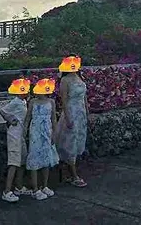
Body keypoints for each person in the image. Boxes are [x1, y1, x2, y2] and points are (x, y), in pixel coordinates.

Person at [56, 55, 88, 187]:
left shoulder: (79, 77)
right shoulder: (65, 80)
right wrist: (68, 118)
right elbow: (63, 100)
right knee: (71, 142)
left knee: (78, 140)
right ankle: (74, 175)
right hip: (71, 112)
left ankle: (70, 173)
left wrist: (87, 112)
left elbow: (84, 97)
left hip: (81, 113)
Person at [24, 78, 59, 200]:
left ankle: (44, 185)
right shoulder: (32, 102)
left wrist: (54, 133)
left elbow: (54, 118)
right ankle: (35, 189)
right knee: (34, 157)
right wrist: (25, 131)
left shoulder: (51, 102)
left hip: (47, 131)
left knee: (46, 158)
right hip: (35, 132)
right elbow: (28, 117)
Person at [0, 77, 31, 203]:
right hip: (14, 135)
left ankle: (19, 186)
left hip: (21, 135)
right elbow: (3, 111)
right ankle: (7, 191)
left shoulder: (23, 102)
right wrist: (10, 120)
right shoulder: (16, 101)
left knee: (22, 161)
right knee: (13, 162)